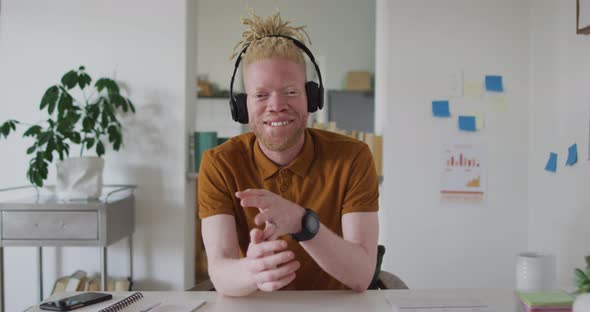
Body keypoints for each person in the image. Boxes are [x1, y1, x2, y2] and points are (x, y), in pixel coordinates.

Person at [198, 10, 379, 297]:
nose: (277, 105)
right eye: (261, 95)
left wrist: (301, 223)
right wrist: (253, 270)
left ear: (312, 97)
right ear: (242, 106)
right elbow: (221, 273)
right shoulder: (219, 164)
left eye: (291, 91)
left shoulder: (353, 157)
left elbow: (361, 275)